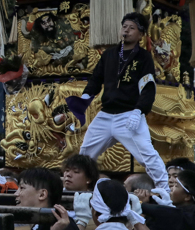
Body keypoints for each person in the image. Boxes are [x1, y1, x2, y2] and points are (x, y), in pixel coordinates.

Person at [67, 12, 169, 200]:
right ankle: (79, 191)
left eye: (132, 28)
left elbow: (148, 86)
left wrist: (139, 111)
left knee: (147, 154)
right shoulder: (109, 55)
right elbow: (96, 79)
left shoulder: (144, 57)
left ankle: (165, 191)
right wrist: (84, 98)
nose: (126, 31)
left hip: (129, 114)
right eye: (124, 27)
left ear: (141, 34)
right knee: (85, 153)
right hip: (106, 115)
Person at [62, 153, 99, 230]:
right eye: (67, 170)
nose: (68, 174)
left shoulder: (95, 201)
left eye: (76, 172)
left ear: (88, 179)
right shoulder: (53, 195)